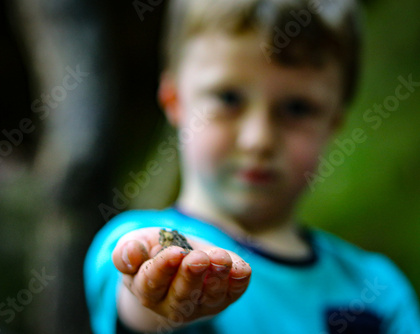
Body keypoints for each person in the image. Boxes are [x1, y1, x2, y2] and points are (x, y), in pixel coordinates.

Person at [84, 0, 420, 333]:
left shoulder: (380, 288)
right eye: (228, 98)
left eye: (298, 108)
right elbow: (133, 297)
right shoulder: (129, 238)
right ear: (175, 101)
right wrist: (160, 299)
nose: (258, 139)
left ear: (333, 123)